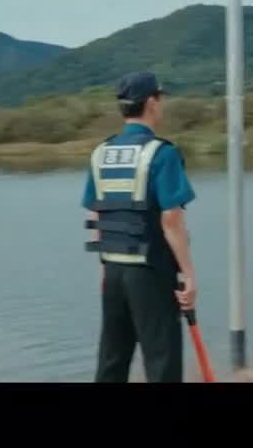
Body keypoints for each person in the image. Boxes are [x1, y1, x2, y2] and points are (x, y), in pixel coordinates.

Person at [83, 72, 198, 383]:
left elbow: (97, 215)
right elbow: (171, 220)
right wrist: (188, 276)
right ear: (151, 103)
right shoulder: (163, 153)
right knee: (162, 361)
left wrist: (105, 268)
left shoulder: (101, 153)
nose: (162, 103)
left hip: (113, 272)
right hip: (151, 272)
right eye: (160, 97)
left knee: (112, 360)